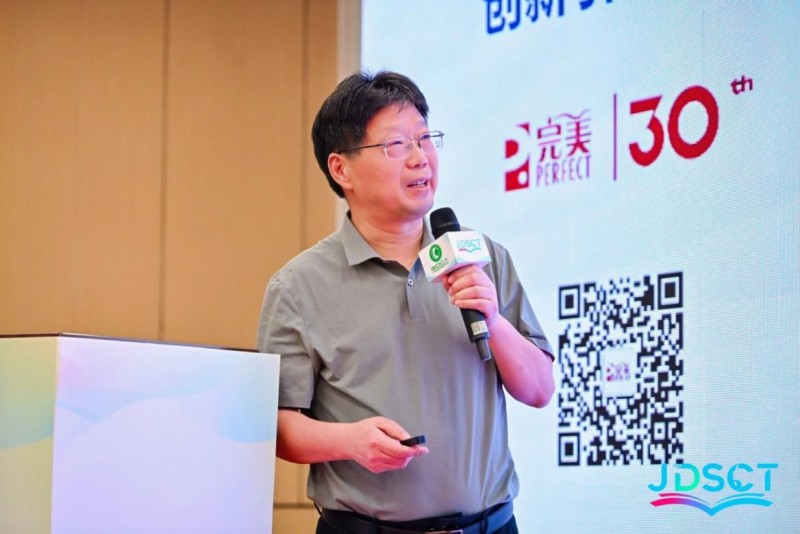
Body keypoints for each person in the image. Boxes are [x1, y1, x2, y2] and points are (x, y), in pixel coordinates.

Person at [257, 70, 555, 534]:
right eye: (397, 145)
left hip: (493, 526)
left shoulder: (482, 257)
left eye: (426, 139)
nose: (421, 158)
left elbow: (539, 390)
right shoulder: (298, 286)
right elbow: (278, 427)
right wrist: (349, 441)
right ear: (341, 169)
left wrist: (493, 320)